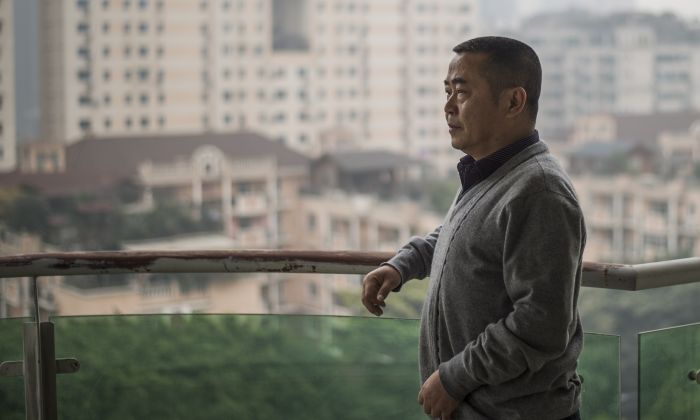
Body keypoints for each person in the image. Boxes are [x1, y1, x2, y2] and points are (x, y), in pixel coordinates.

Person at [361, 36, 586, 420]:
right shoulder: (491, 172)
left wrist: (454, 378)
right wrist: (403, 264)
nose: (447, 107)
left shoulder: (539, 192)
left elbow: (541, 324)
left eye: (461, 92)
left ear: (514, 101)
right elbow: (461, 234)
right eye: (447, 91)